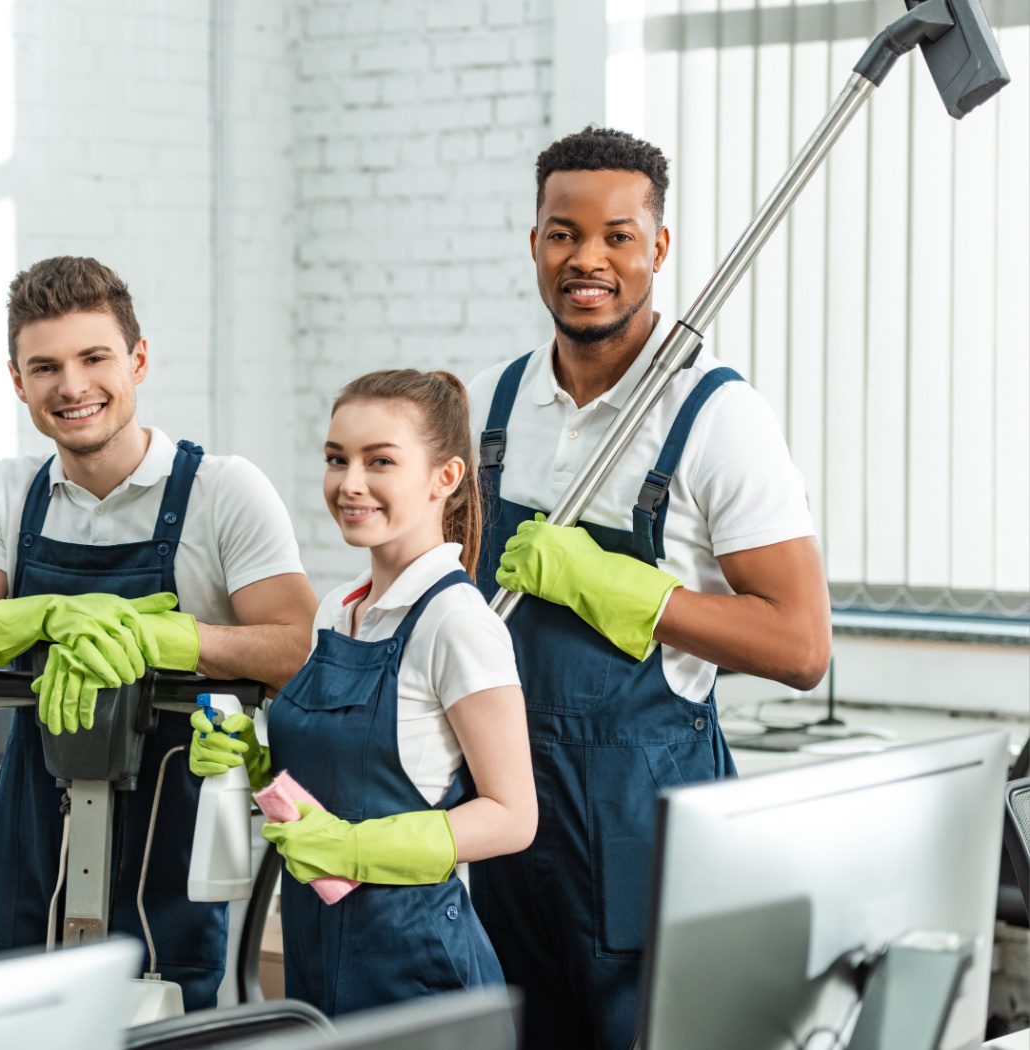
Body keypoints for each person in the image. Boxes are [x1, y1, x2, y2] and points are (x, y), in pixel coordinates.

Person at [467, 127, 832, 1049]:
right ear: (535, 239)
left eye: (618, 235)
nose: (588, 259)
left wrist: (624, 594)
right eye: (563, 233)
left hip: (645, 822)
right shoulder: (499, 405)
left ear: (658, 248)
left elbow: (801, 647)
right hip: (512, 816)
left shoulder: (719, 418)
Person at [0, 256, 316, 1010]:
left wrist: (169, 641)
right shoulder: (12, 492)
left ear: (139, 359)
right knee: (27, 1016)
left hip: (177, 816)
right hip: (36, 816)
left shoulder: (222, 492)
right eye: (45, 366)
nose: (72, 386)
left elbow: (296, 648)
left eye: (94, 357)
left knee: (164, 1014)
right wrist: (49, 616)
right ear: (17, 380)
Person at [189, 369, 536, 1017]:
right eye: (335, 459)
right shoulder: (336, 611)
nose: (349, 483)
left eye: (380, 461)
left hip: (417, 970)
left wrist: (356, 850)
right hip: (319, 957)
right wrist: (255, 760)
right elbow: (334, 778)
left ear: (446, 478)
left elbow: (513, 816)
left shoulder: (456, 623)